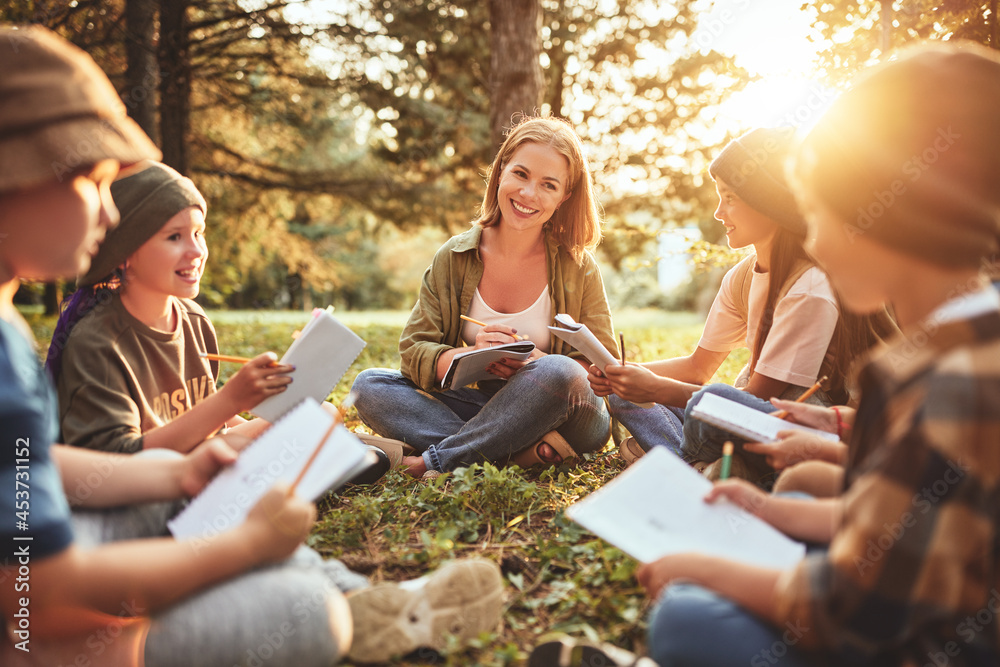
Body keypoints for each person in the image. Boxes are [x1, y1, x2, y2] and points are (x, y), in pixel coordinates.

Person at [0, 26, 502, 667]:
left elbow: (29, 469)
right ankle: (341, 609)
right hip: (28, 628)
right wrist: (244, 547)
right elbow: (35, 595)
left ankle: (365, 604)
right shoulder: (68, 341)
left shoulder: (13, 327)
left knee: (217, 511)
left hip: (56, 573)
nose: (105, 216)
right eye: (90, 183)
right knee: (302, 610)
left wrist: (185, 469)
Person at [638, 40, 1000, 666]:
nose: (814, 239)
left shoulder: (944, 378)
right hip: (941, 592)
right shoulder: (972, 340)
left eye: (816, 213)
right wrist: (764, 501)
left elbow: (855, 614)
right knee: (800, 498)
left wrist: (704, 567)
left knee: (686, 618)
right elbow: (910, 513)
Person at [589, 126, 896, 482]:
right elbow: (697, 367)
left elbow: (755, 404)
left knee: (712, 401)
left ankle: (687, 462)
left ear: (770, 203)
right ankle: (698, 465)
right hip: (744, 416)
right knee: (630, 398)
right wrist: (624, 377)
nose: (719, 212)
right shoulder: (743, 277)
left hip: (798, 423)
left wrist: (656, 388)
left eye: (730, 197)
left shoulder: (808, 288)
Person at [351, 116, 617, 477]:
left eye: (548, 185)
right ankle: (515, 454)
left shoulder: (578, 266)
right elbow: (414, 353)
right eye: (521, 174)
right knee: (370, 386)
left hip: (567, 414)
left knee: (559, 370)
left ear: (564, 196)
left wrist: (534, 363)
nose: (528, 194)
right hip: (487, 409)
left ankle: (436, 461)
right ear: (501, 170)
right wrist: (471, 354)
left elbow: (602, 373)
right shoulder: (455, 256)